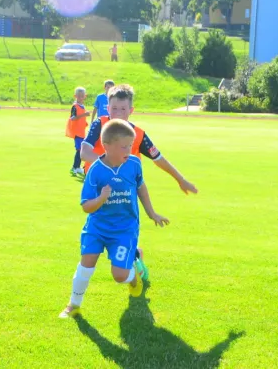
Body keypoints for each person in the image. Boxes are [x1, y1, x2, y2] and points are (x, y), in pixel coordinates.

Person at [81, 85, 199, 280]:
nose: (118, 114)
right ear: (107, 108)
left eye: (123, 109)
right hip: (98, 189)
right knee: (100, 229)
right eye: (114, 108)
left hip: (126, 193)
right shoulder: (99, 125)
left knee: (121, 227)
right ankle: (133, 255)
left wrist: (181, 179)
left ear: (131, 110)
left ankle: (133, 257)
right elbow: (84, 152)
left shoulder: (138, 135)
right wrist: (108, 166)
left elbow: (159, 158)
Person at [59, 118, 169, 319]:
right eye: (124, 147)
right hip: (97, 227)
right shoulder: (95, 170)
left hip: (124, 229)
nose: (129, 150)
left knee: (119, 276)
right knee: (86, 264)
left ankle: (134, 275)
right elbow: (86, 206)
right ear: (107, 146)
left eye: (130, 146)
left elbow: (141, 187)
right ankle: (73, 305)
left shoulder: (134, 164)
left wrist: (152, 213)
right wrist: (101, 198)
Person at [66, 87, 90, 176]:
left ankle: (77, 167)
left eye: (82, 96)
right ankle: (74, 167)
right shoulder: (75, 106)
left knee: (81, 150)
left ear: (85, 96)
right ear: (75, 96)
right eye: (79, 96)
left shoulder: (82, 106)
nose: (80, 98)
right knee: (79, 149)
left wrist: (85, 122)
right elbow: (73, 118)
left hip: (81, 132)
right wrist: (84, 115)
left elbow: (80, 119)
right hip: (77, 132)